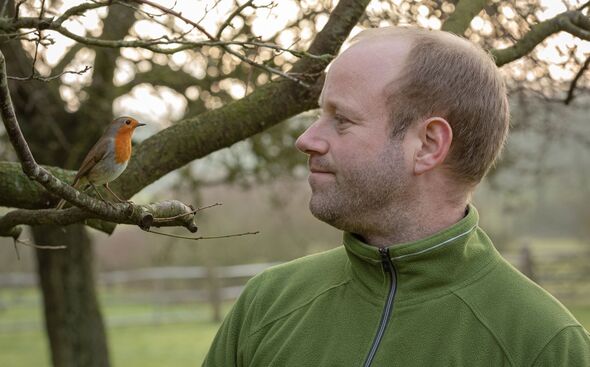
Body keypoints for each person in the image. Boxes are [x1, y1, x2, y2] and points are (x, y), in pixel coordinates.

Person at [203, 27, 590, 366]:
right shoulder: (268, 303)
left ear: (427, 144)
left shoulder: (544, 345)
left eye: (342, 120)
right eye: (319, 116)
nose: (306, 140)